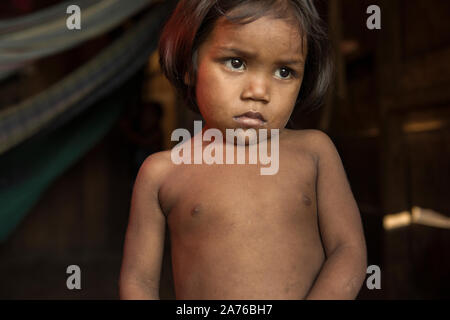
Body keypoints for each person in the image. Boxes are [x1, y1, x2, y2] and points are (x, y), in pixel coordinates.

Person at [119, 0, 367, 300]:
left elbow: (348, 250)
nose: (259, 92)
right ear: (189, 66)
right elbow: (138, 282)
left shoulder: (315, 152)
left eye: (285, 71)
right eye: (236, 62)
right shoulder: (162, 173)